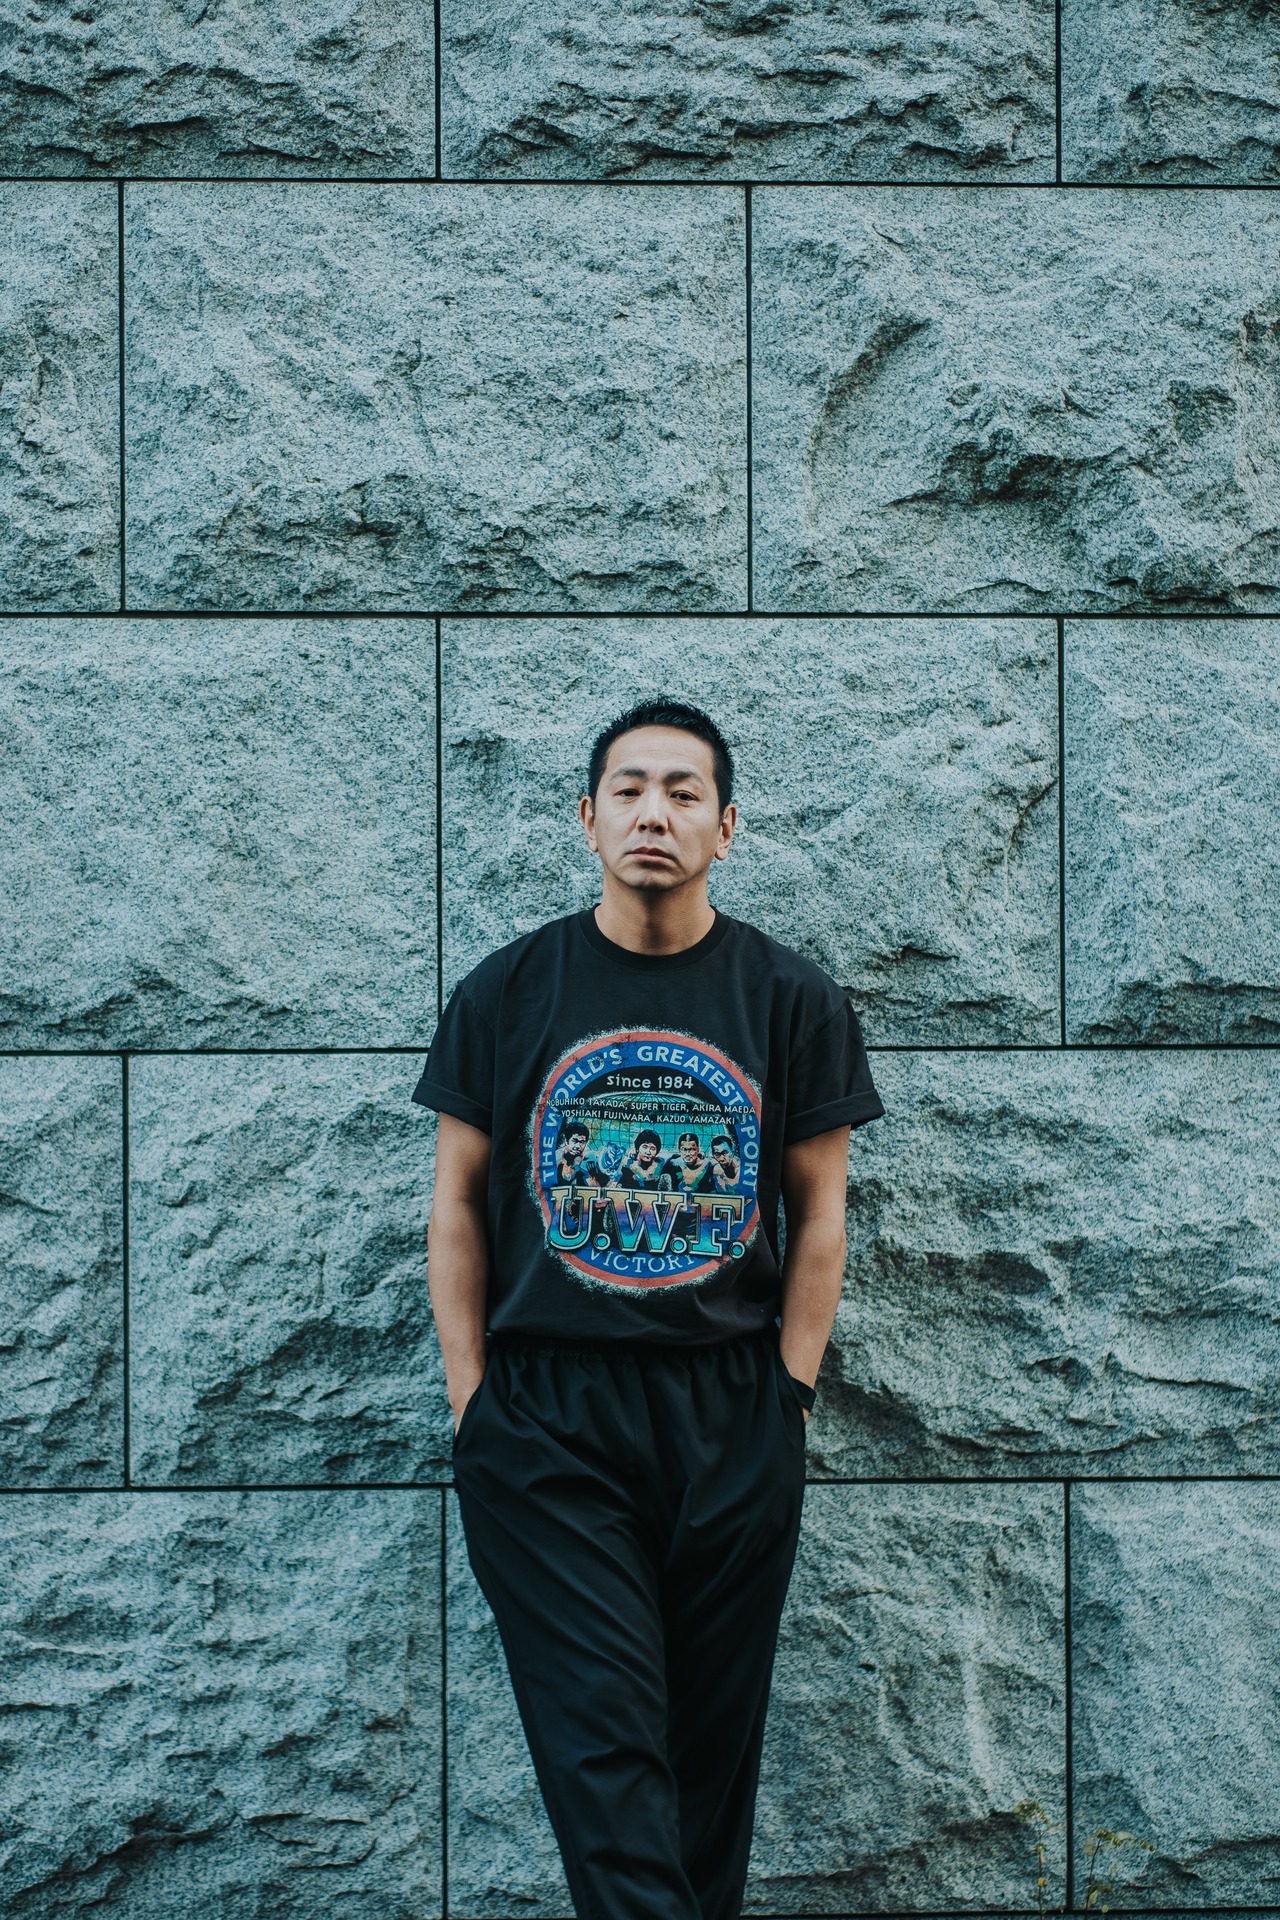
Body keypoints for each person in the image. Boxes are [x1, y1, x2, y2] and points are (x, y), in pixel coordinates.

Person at [415, 698, 883, 1920]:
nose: (652, 814)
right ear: (587, 818)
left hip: (729, 1412)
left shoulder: (790, 998)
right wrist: (474, 1405)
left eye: (682, 793)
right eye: (627, 790)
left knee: (703, 1780)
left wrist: (786, 1395)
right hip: (545, 1421)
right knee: (606, 1756)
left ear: (724, 827)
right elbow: (455, 1204)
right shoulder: (506, 991)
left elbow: (819, 1213)